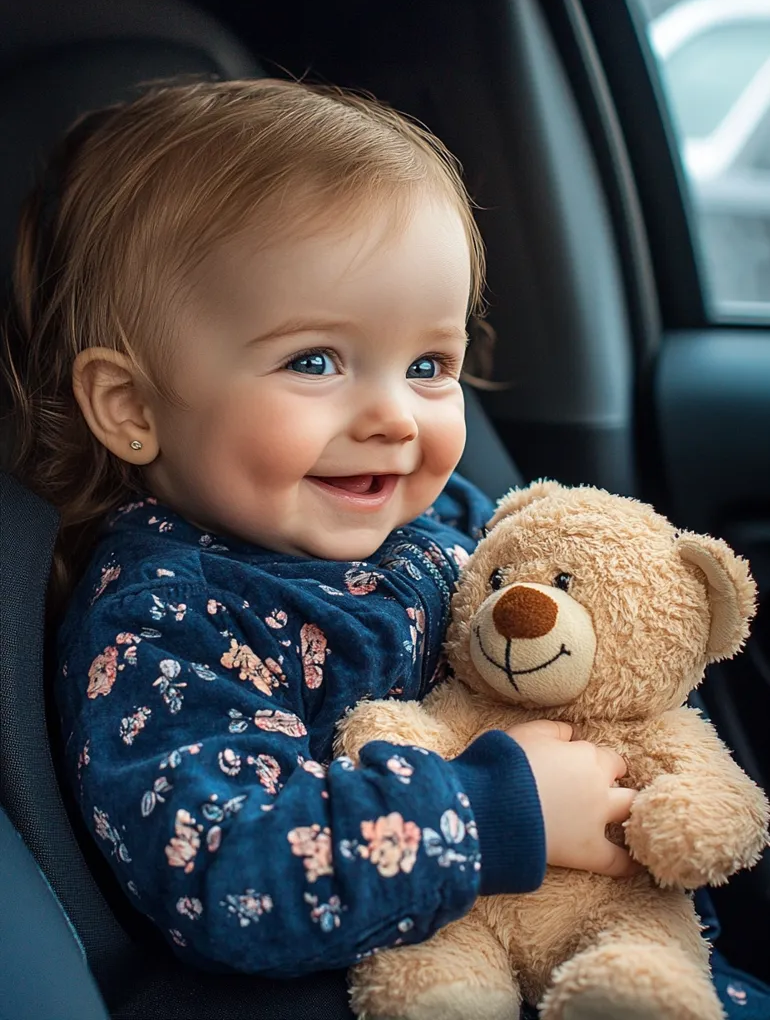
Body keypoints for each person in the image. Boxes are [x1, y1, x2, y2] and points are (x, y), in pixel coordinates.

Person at [0, 76, 670, 982]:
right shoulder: (167, 623)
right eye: (315, 362)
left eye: (429, 365)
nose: (395, 417)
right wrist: (496, 810)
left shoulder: (446, 516)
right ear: (131, 407)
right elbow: (232, 877)